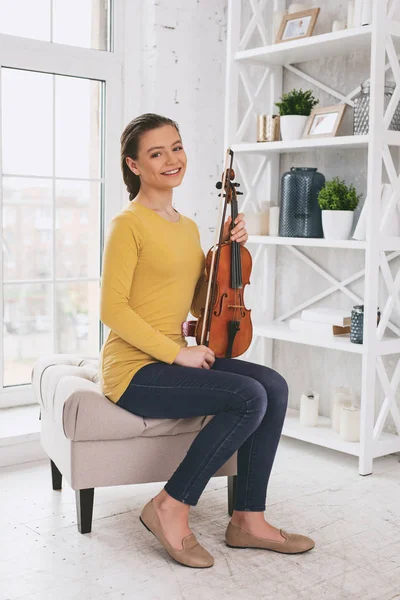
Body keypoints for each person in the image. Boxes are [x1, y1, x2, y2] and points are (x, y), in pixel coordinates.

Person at [99, 112, 315, 569]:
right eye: (156, 153)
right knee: (246, 396)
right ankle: (169, 506)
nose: (172, 159)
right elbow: (112, 310)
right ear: (134, 165)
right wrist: (178, 352)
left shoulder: (188, 226)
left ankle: (248, 520)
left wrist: (225, 252)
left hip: (171, 361)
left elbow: (202, 303)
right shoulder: (128, 224)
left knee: (272, 386)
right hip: (134, 371)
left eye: (176, 147)